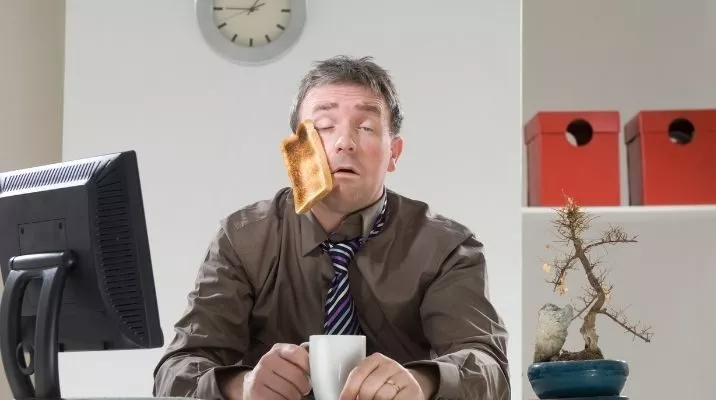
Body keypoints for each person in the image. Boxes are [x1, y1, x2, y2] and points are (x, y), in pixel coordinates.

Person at [152, 55, 510, 400]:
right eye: (324, 127)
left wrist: (422, 381)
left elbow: (490, 369)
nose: (345, 142)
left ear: (394, 153)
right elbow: (176, 370)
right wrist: (241, 386)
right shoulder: (243, 239)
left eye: (366, 128)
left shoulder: (446, 246)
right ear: (297, 152)